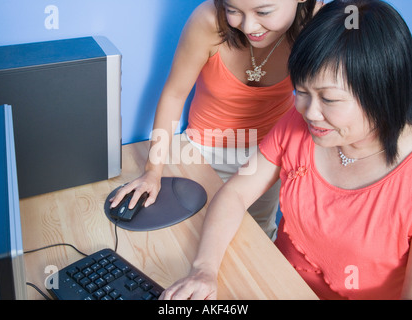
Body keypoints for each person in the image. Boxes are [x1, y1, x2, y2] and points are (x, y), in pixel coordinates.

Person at [160, 0, 412, 300]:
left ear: (383, 92)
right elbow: (236, 193)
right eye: (301, 92)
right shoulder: (297, 122)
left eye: (329, 99)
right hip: (271, 283)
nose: (309, 112)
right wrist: (204, 269)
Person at [110, 0, 320, 240]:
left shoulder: (318, 24)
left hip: (269, 154)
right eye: (233, 10)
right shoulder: (208, 20)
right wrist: (152, 171)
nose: (249, 26)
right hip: (203, 150)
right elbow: (174, 94)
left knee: (258, 236)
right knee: (196, 235)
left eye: (263, 11)